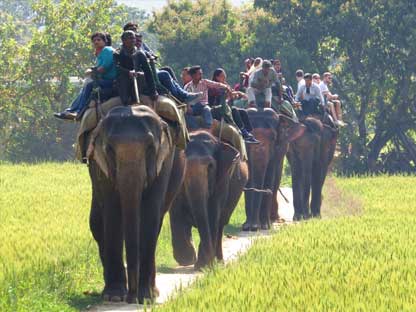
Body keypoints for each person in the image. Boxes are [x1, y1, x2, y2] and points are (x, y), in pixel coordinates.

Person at [54, 32, 116, 120]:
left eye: (99, 40)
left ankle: (79, 111)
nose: (96, 42)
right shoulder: (100, 54)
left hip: (111, 81)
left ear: (105, 41)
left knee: (89, 86)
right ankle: (72, 110)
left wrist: (91, 71)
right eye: (94, 41)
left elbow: (105, 67)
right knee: (84, 88)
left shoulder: (107, 50)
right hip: (103, 80)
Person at [209, 68, 259, 143]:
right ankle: (242, 131)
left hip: (226, 108)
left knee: (243, 112)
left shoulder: (225, 85)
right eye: (222, 76)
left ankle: (248, 132)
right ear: (217, 77)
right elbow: (224, 96)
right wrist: (234, 94)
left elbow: (231, 94)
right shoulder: (213, 86)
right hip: (217, 109)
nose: (224, 78)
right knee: (234, 110)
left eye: (225, 76)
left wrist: (236, 94)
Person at [113, 30, 157, 106]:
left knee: (141, 75)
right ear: (123, 40)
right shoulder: (117, 53)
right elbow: (117, 67)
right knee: (122, 79)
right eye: (130, 38)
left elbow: (148, 72)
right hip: (123, 79)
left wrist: (153, 91)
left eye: (133, 38)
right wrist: (128, 72)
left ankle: (135, 100)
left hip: (137, 78)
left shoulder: (140, 53)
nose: (133, 40)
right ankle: (125, 102)